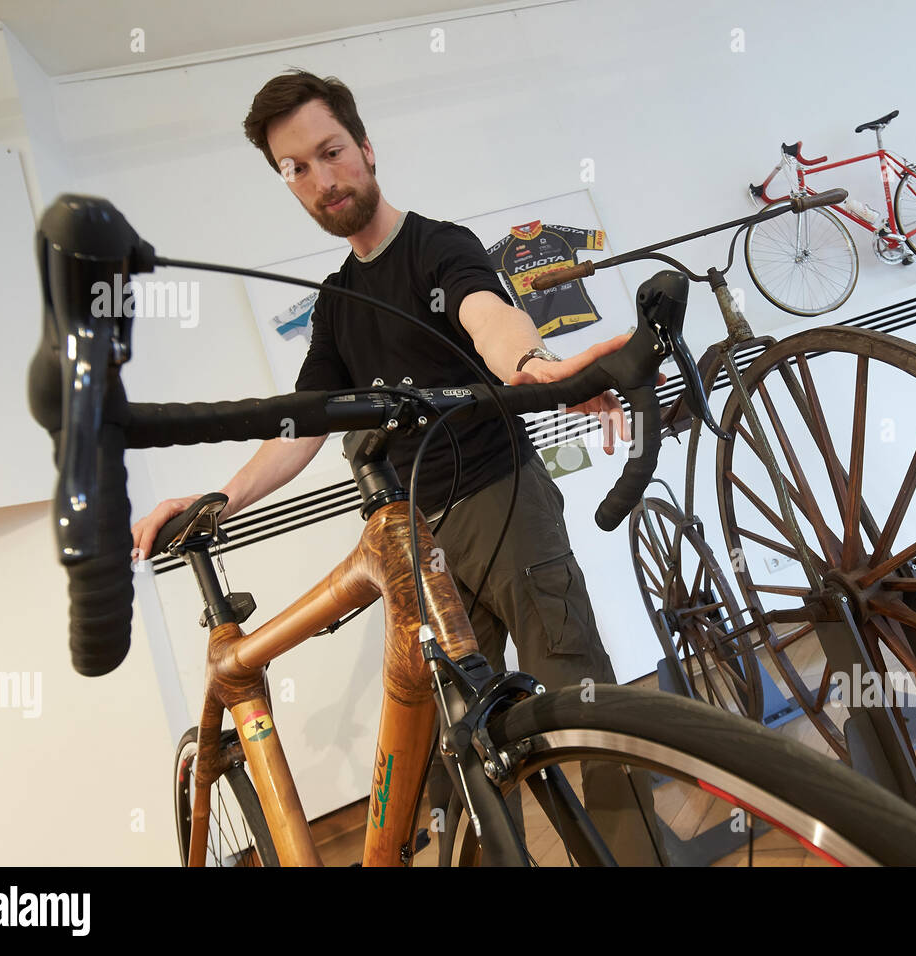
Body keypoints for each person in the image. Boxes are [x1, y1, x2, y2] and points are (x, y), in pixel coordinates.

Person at [130, 70, 662, 863]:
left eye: (330, 151)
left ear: (366, 149)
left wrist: (533, 365)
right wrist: (218, 497)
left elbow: (488, 313)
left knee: (583, 702)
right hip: (415, 540)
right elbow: (301, 423)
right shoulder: (338, 303)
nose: (320, 178)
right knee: (454, 744)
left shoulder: (436, 247)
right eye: (295, 168)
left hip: (501, 502)